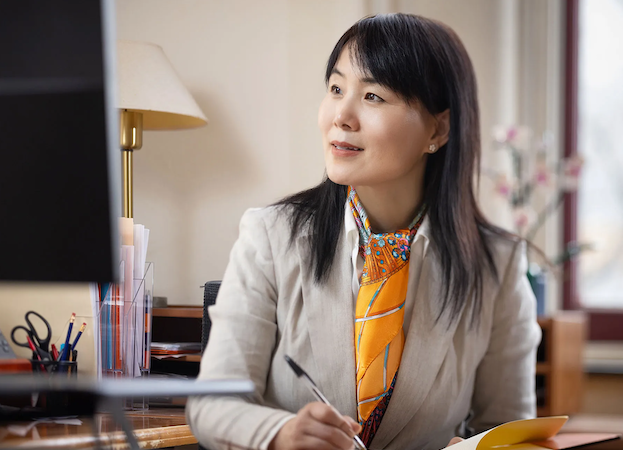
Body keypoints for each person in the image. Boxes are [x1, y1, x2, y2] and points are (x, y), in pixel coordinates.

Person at [186, 12, 542, 450]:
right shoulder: (270, 236)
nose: (342, 116)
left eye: (372, 95)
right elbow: (211, 406)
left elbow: (511, 431)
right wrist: (280, 434)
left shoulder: (497, 266)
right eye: (336, 89)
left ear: (438, 128)